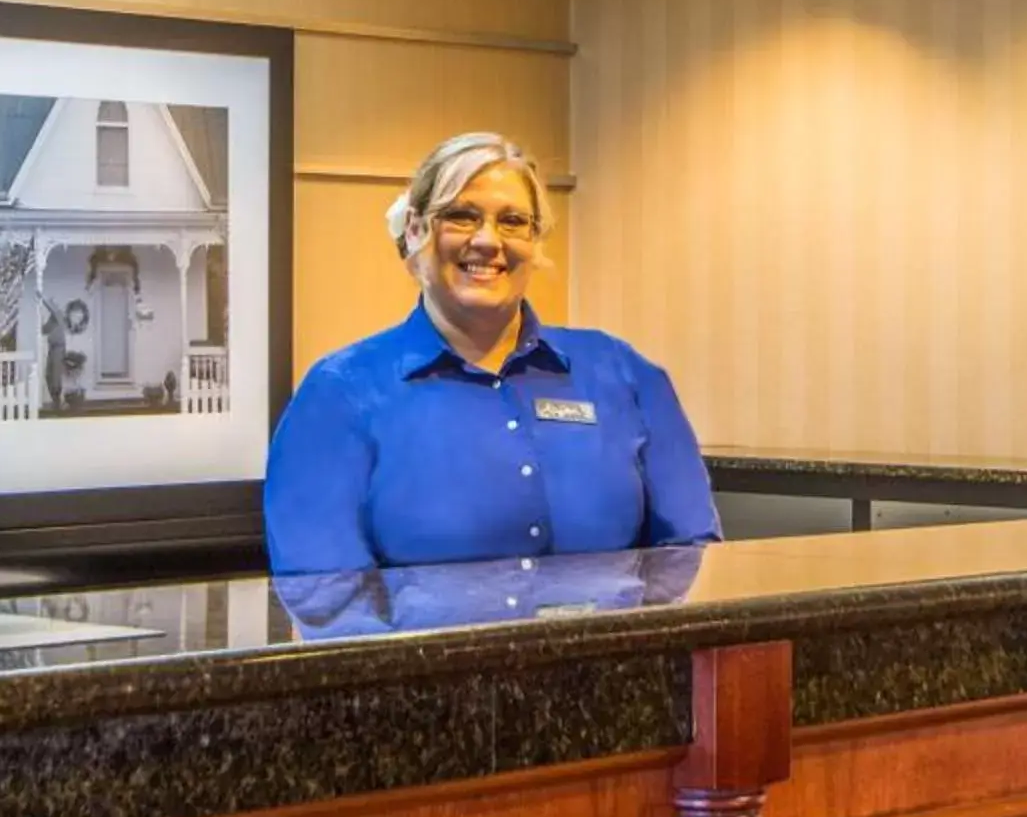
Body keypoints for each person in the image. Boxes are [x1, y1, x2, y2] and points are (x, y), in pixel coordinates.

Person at [263, 131, 721, 573]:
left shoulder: (626, 375)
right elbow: (323, 592)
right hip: (431, 655)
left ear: (536, 240)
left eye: (513, 221)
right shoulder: (341, 392)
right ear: (419, 228)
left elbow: (690, 557)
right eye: (462, 215)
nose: (487, 240)